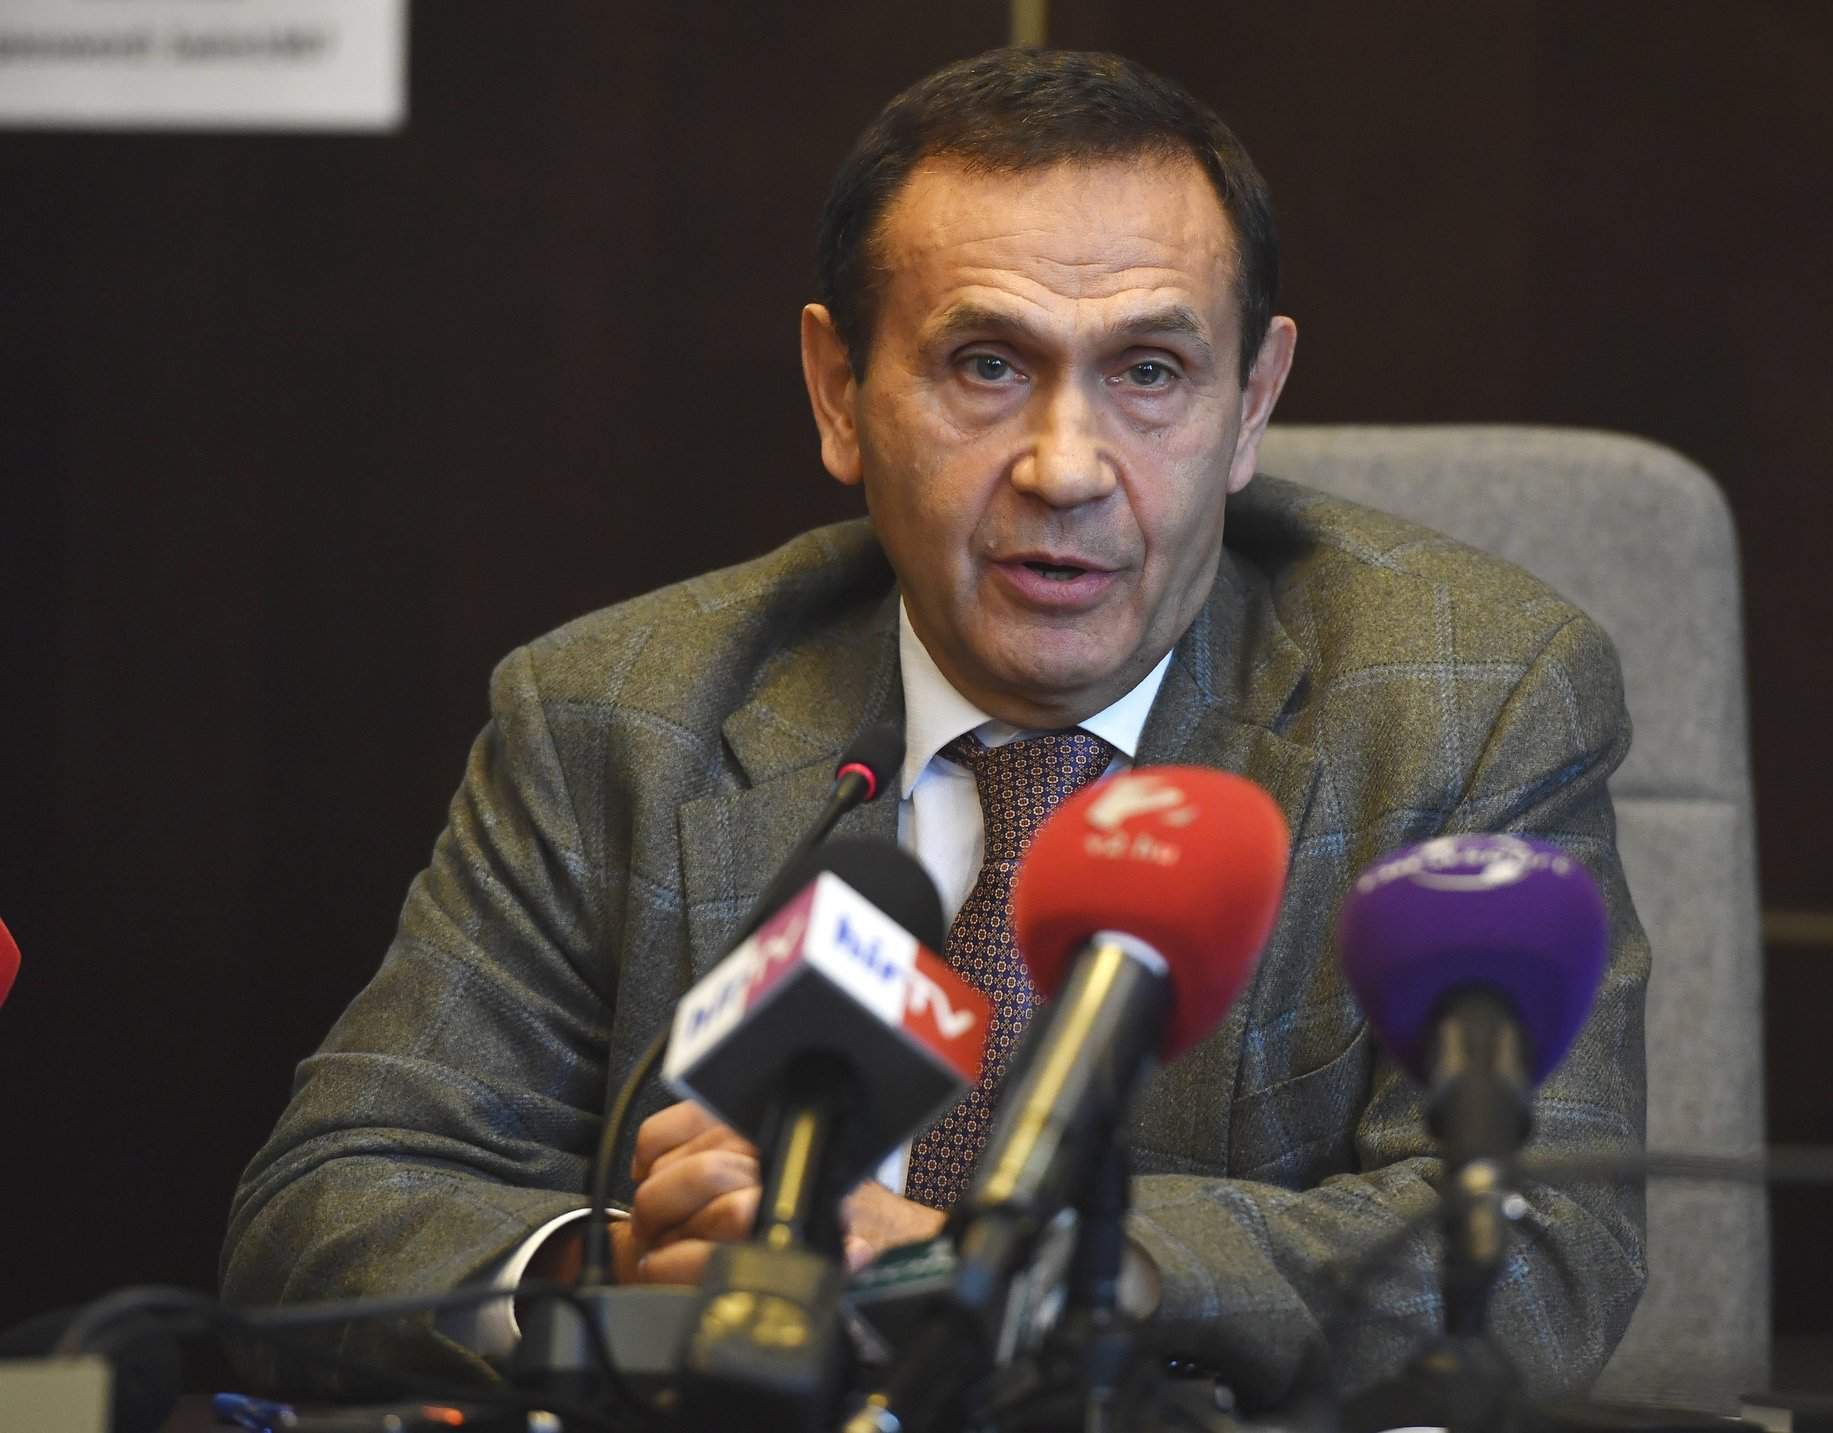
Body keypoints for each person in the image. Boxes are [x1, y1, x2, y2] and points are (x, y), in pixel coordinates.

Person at [223, 48, 1647, 1410]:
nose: (1067, 467)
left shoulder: (1463, 700)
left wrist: (988, 1267)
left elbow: (1537, 1252)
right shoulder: (621, 713)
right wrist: (622, 1272)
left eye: (1151, 371)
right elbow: (326, 1201)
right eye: (986, 364)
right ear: (839, 392)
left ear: (1252, 401)